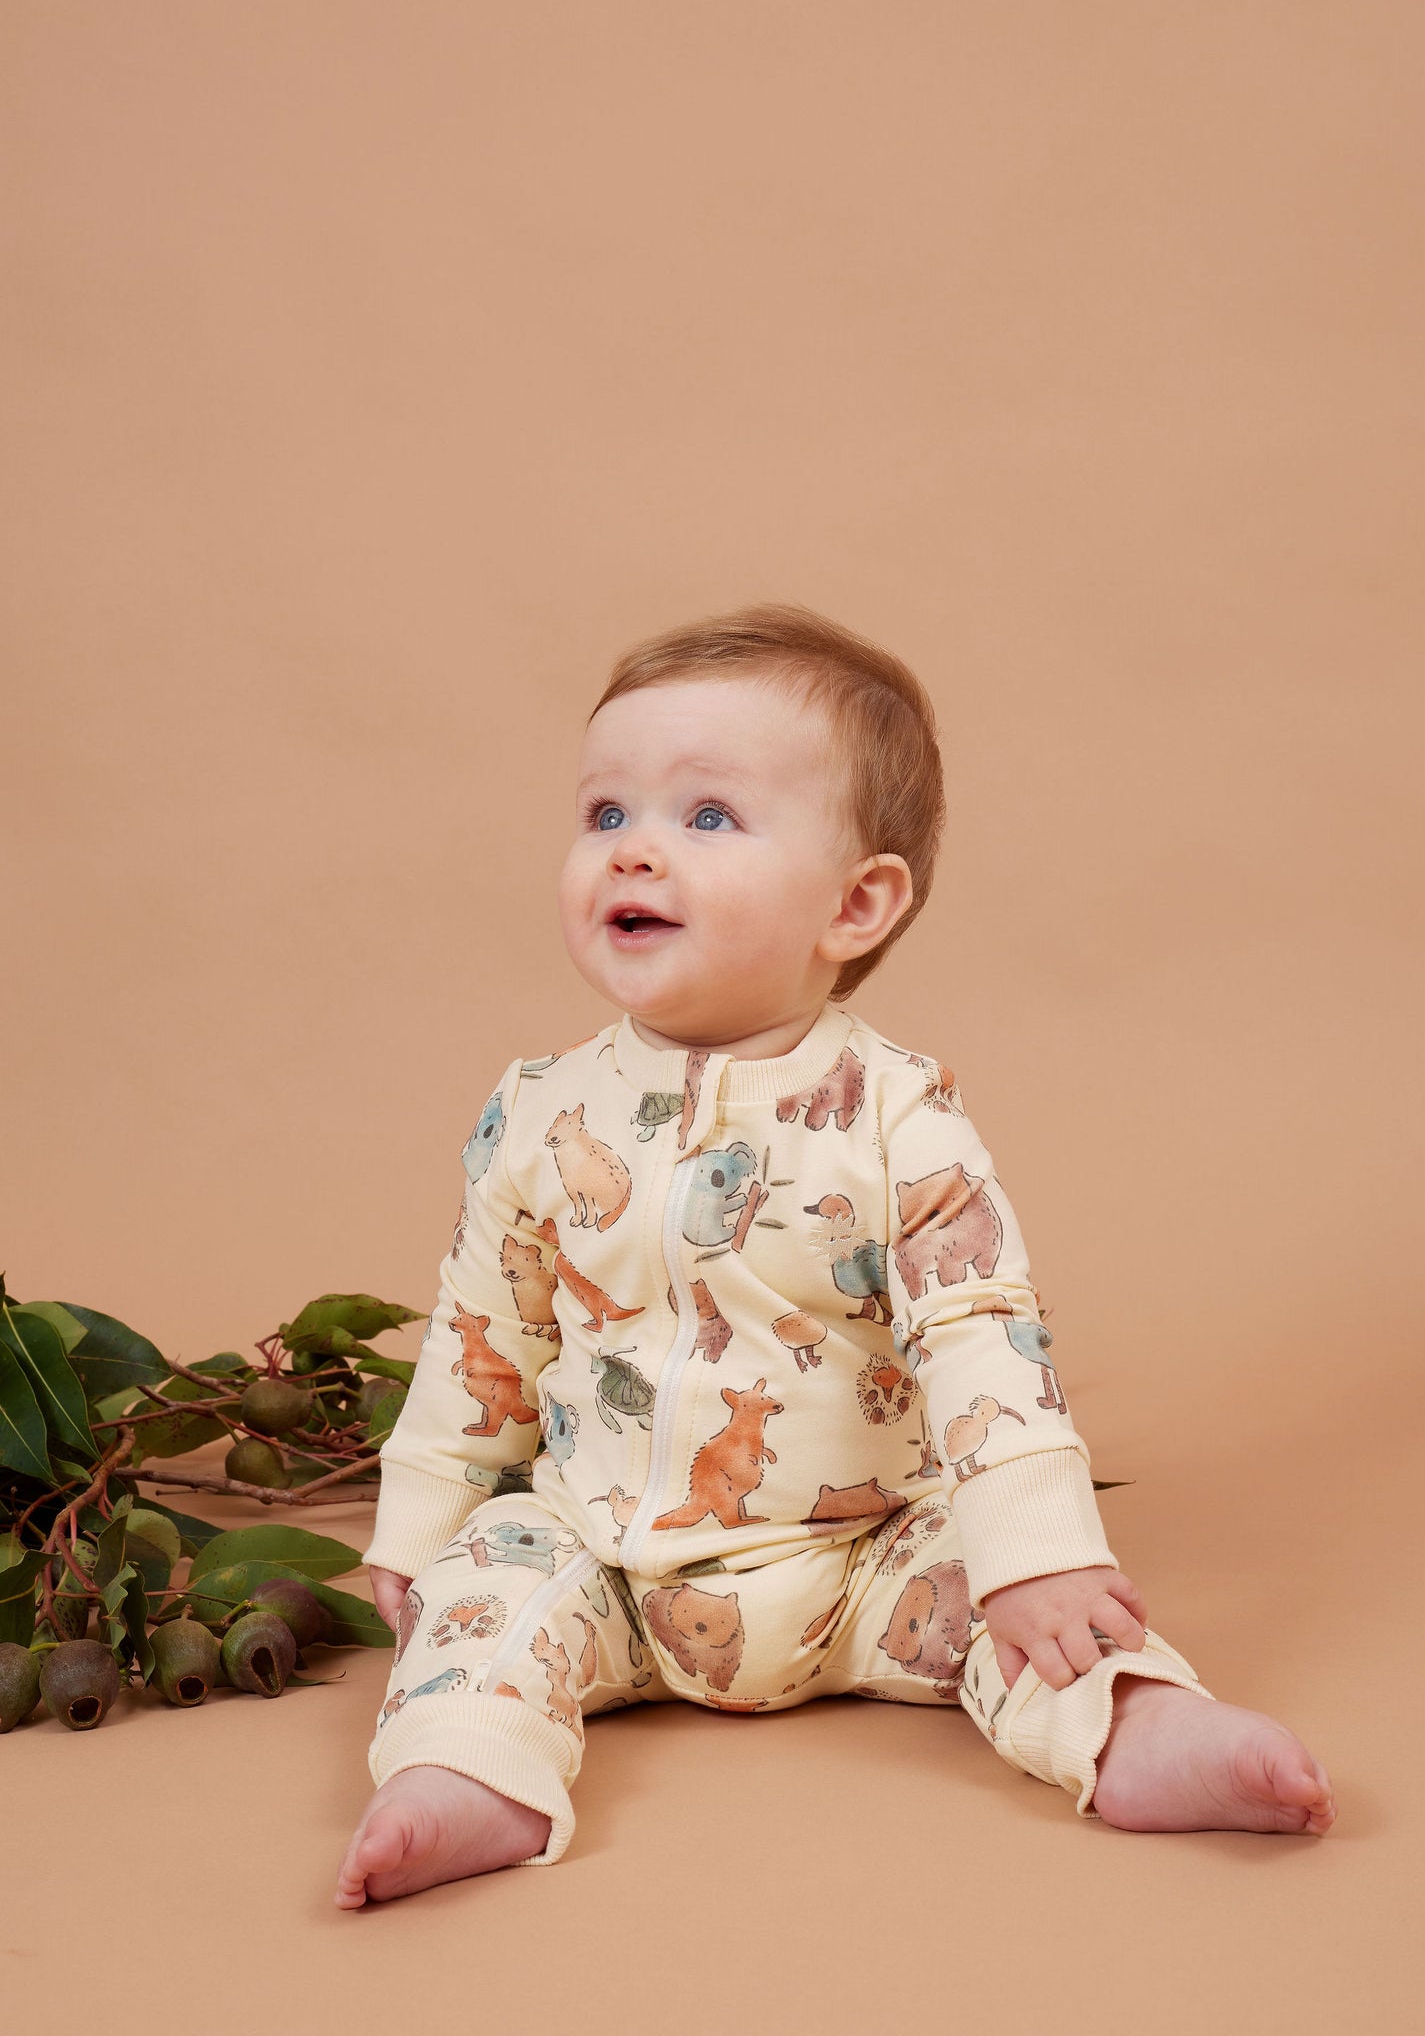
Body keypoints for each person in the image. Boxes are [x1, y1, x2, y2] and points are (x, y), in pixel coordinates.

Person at [334, 602, 1335, 1909]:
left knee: (1026, 1609)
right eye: (605, 813)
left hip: (865, 1557)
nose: (633, 849)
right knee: (484, 1596)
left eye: (706, 816)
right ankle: (468, 1773)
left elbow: (981, 1329)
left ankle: (1136, 1728)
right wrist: (422, 1523)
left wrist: (1035, 1550)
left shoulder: (897, 1117)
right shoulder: (539, 1110)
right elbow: (486, 1327)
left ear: (855, 904)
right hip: (602, 1557)